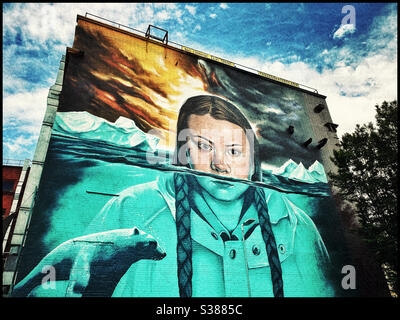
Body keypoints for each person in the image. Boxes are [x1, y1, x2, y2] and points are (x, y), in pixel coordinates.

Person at [12, 95, 335, 297]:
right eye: (203, 146)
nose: (220, 164)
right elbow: (58, 285)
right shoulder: (130, 208)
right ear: (183, 153)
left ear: (254, 160)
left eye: (235, 150)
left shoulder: (295, 224)